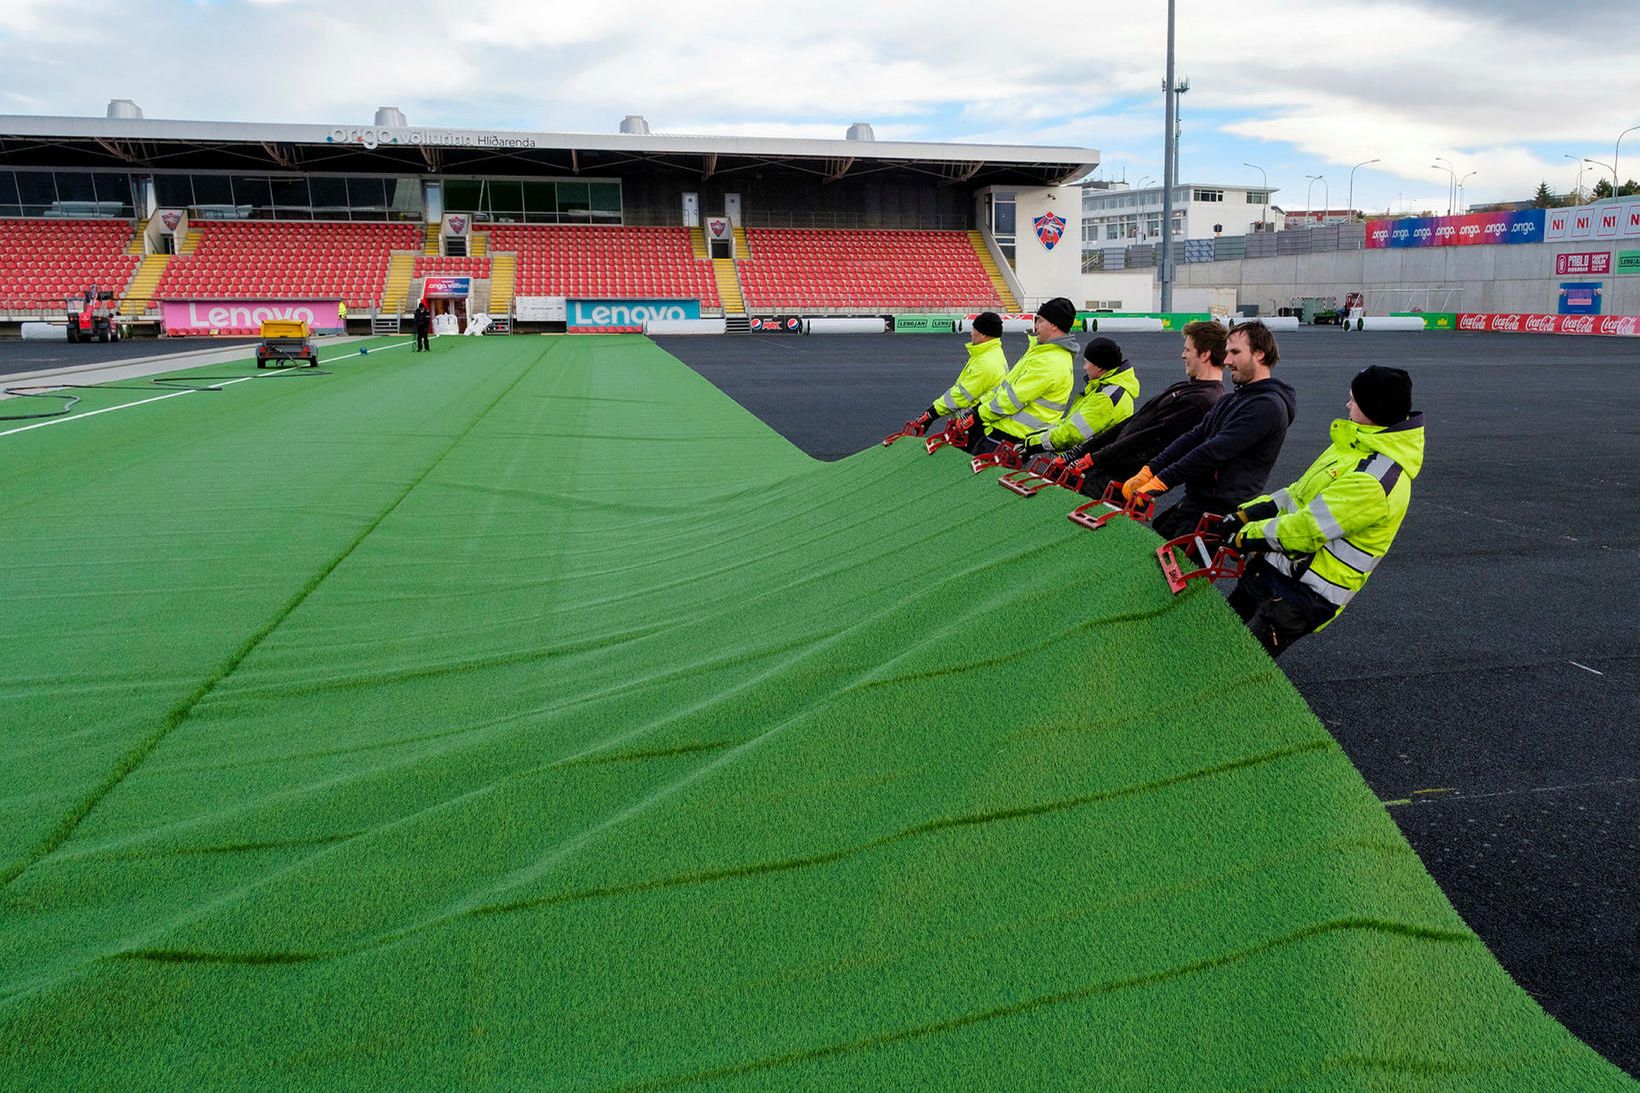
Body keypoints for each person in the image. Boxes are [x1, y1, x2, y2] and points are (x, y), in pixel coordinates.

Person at [1215, 366, 1422, 657]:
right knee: (1214, 641)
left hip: (1300, 596)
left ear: (1373, 408)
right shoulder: (1352, 446)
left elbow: (1306, 530)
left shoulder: (1374, 480)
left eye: (1353, 399)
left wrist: (1243, 537)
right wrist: (1248, 513)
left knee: (1236, 663)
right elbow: (1297, 494)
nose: (1347, 404)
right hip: (1274, 570)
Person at [1121, 320, 1296, 537]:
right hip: (1196, 504)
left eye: (1234, 352)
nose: (1227, 360)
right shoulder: (1232, 399)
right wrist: (1150, 470)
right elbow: (1194, 437)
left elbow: (1213, 450)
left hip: (1219, 514)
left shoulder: (1266, 407)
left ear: (1259, 354)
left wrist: (1161, 481)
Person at [1053, 319, 1226, 495]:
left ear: (1205, 354)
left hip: (1120, 479)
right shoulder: (1185, 388)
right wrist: (1082, 452)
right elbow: (1134, 421)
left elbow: (1146, 439)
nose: (1183, 355)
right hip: (1108, 468)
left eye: (1187, 350)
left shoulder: (1200, 401)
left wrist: (1092, 458)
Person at [958, 296, 1079, 453]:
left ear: (1054, 325)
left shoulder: (1050, 361)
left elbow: (1012, 399)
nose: (1035, 326)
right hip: (1010, 433)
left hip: (1013, 437)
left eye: (1040, 321)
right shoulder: (1044, 353)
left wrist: (978, 415)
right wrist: (978, 408)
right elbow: (1006, 388)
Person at [904, 311, 1009, 449]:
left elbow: (960, 395)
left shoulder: (986, 362)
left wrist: (931, 414)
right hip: (977, 422)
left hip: (974, 427)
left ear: (983, 335)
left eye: (974, 330)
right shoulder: (991, 355)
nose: (971, 333)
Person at [1019, 337, 1138, 458]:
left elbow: (1072, 433)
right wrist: (1032, 439)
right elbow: (1068, 425)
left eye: (1087, 362)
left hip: (1086, 465)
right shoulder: (1108, 390)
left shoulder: (1105, 398)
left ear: (1099, 367)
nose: (1084, 367)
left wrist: (1032, 444)